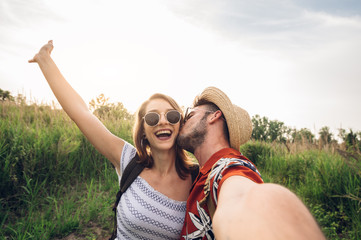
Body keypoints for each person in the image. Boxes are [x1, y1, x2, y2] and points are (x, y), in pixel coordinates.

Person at [29, 40, 196, 239]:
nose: (162, 121)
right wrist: (45, 61)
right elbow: (81, 113)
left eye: (171, 116)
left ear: (180, 124)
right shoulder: (128, 160)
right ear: (143, 130)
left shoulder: (196, 179)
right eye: (152, 117)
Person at [177, 86, 326, 240]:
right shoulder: (201, 173)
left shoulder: (228, 167)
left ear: (213, 117)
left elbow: (243, 197)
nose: (183, 121)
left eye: (190, 115)